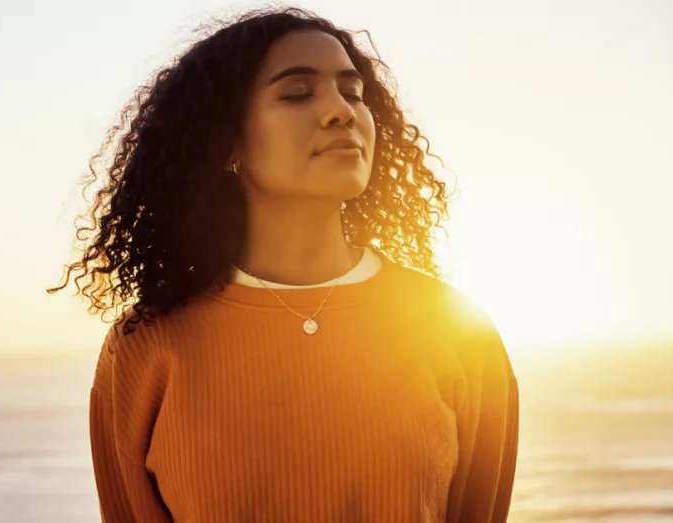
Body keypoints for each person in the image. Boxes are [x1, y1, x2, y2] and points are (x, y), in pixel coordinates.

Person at [48, 6, 519, 522]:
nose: (341, 111)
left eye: (353, 93)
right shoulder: (146, 346)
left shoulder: (455, 332)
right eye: (297, 93)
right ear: (227, 142)